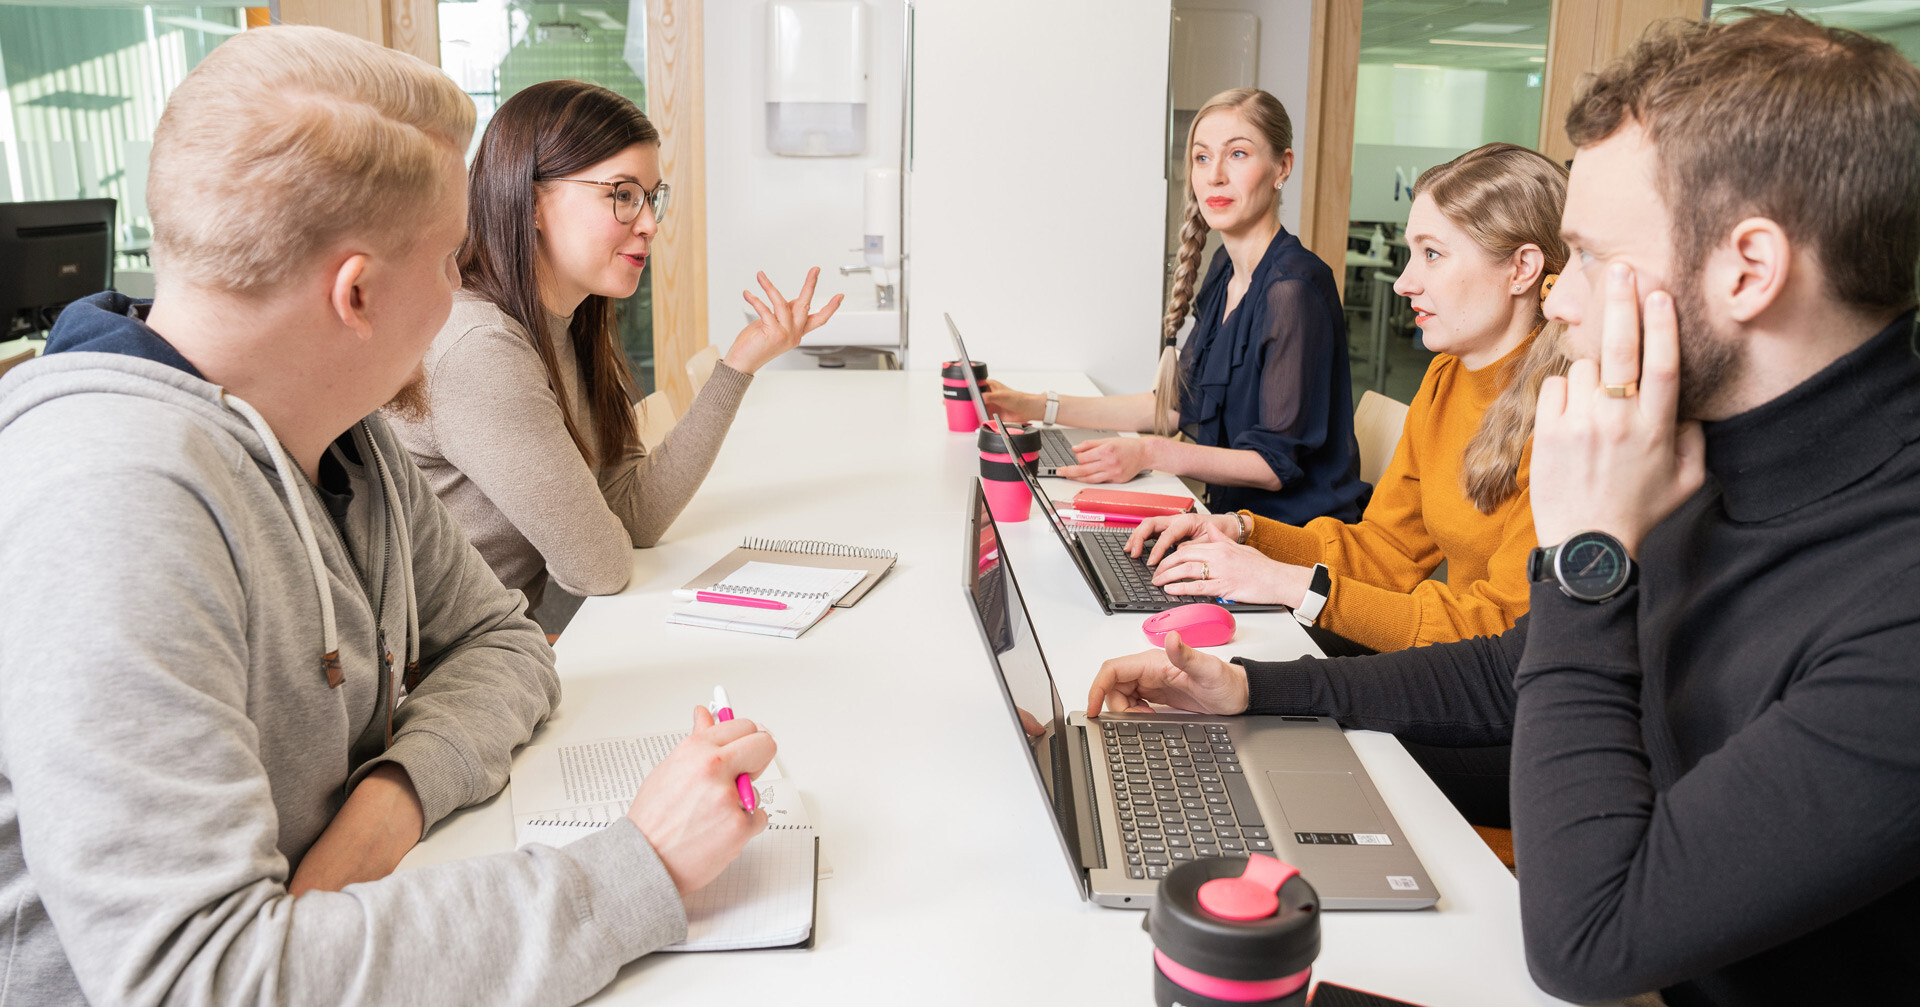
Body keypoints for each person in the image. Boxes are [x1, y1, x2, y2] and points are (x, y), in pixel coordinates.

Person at [1086, 12, 1920, 1004]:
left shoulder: (1892, 596)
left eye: (1595, 259)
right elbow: (1516, 673)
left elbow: (1591, 940)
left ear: (1748, 267)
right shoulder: (1709, 450)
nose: (1561, 303)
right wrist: (1252, 693)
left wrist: (1587, 554)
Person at [0, 27, 773, 1004]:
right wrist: (639, 865)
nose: (463, 291)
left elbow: (505, 640)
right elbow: (206, 981)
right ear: (356, 292)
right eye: (453, 260)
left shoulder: (345, 431)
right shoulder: (104, 508)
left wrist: (388, 801)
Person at [387, 80, 841, 635]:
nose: (649, 223)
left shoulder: (574, 318)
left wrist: (739, 366)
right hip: (468, 665)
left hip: (519, 643)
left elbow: (633, 514)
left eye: (652, 197)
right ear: (530, 202)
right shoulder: (479, 347)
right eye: (623, 195)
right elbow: (598, 566)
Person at [1125, 142, 1572, 656]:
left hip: (1494, 693)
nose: (1404, 282)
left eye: (1432, 254)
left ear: (1522, 269)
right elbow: (1388, 551)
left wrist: (1291, 586)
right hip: (1451, 665)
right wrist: (1241, 531)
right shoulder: (1446, 376)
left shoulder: (1566, 418)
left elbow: (1503, 636)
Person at [982, 88, 1368, 525]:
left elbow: (1274, 466)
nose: (1215, 176)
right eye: (1202, 158)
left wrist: (1149, 451)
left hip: (1294, 536)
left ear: (1282, 167)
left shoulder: (1293, 288)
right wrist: (1032, 406)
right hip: (1229, 519)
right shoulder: (1225, 270)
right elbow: (1172, 407)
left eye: (1237, 154)